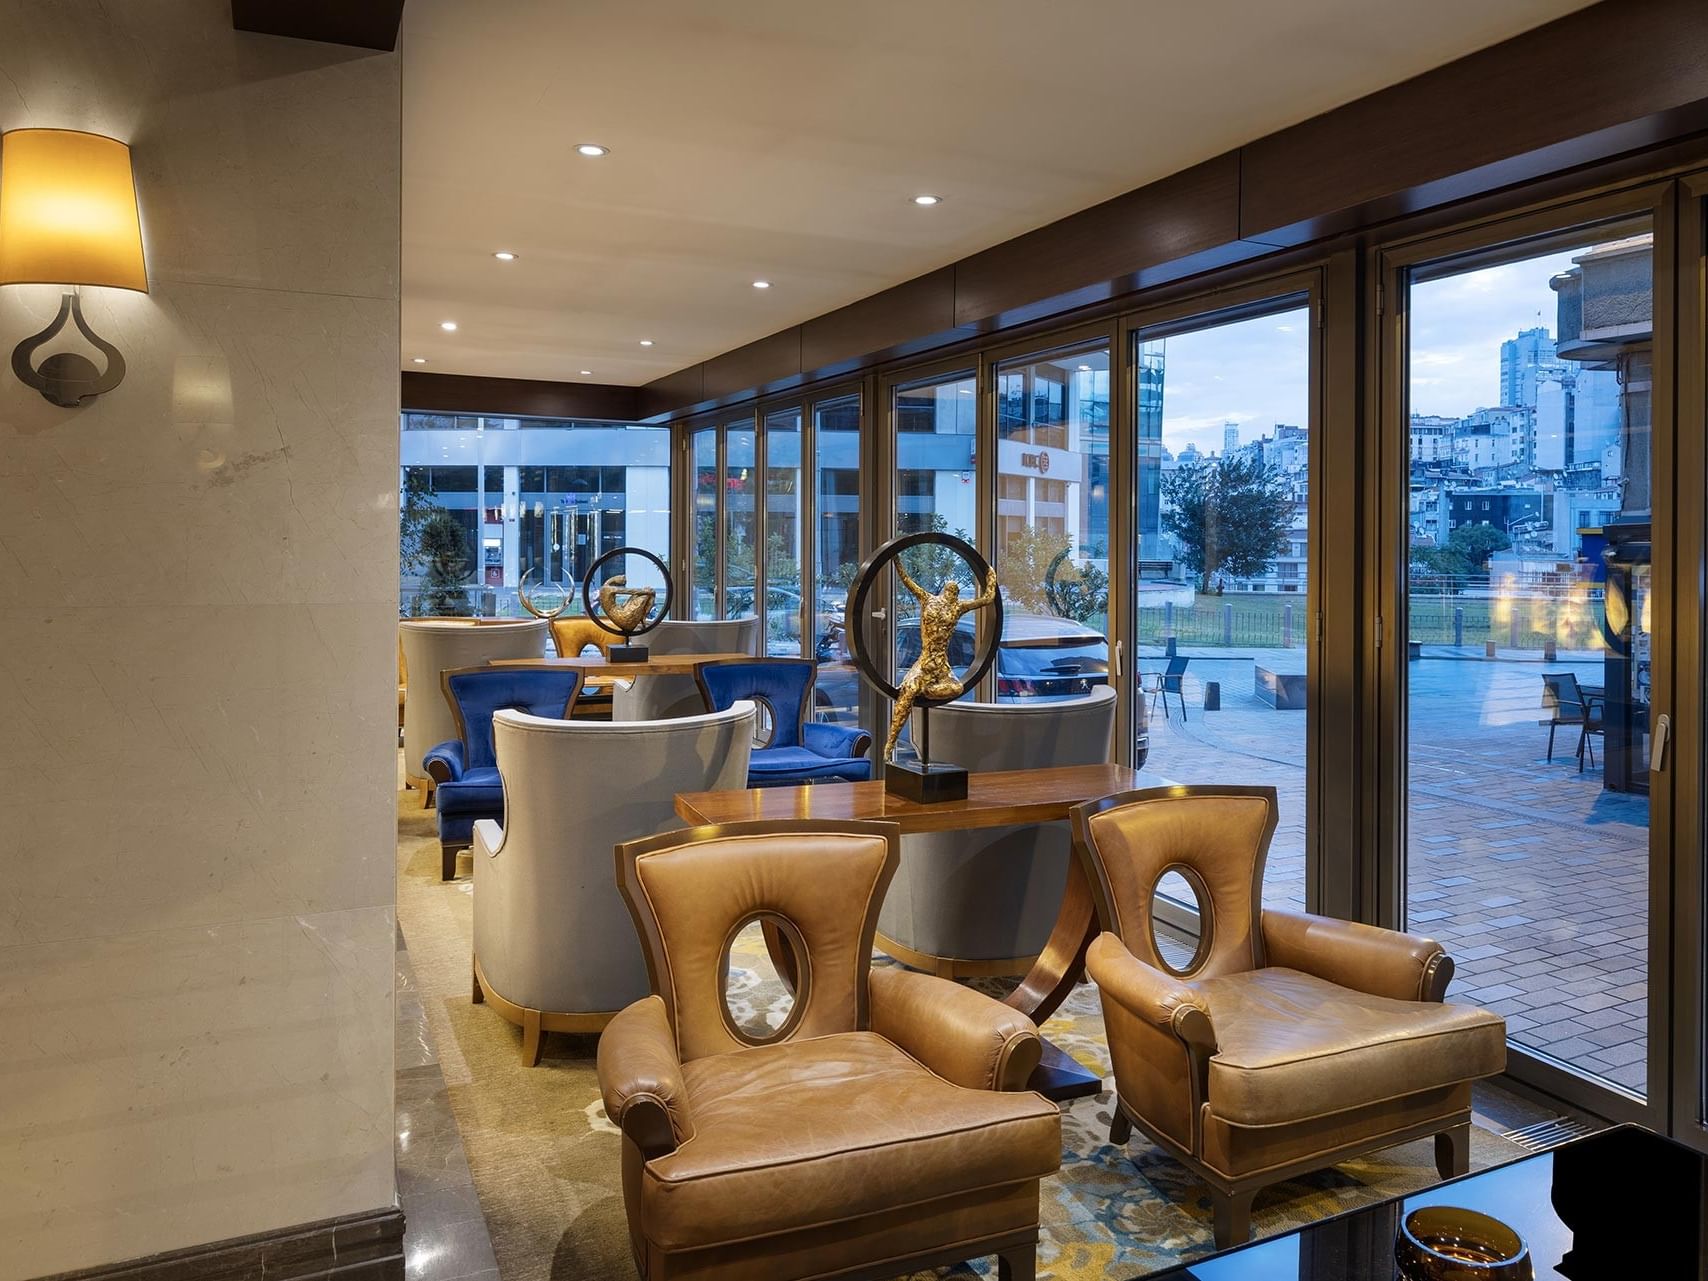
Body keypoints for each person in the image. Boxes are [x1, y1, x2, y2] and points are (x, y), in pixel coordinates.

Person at [883, 561, 1000, 764]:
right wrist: (898, 562)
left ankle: (927, 691)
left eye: (955, 590)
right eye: (950, 588)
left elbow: (987, 599)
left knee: (957, 688)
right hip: (927, 661)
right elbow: (907, 581)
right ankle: (890, 744)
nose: (952, 591)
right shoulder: (928, 599)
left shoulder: (958, 607)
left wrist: (991, 577)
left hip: (942, 665)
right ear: (945, 590)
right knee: (908, 694)